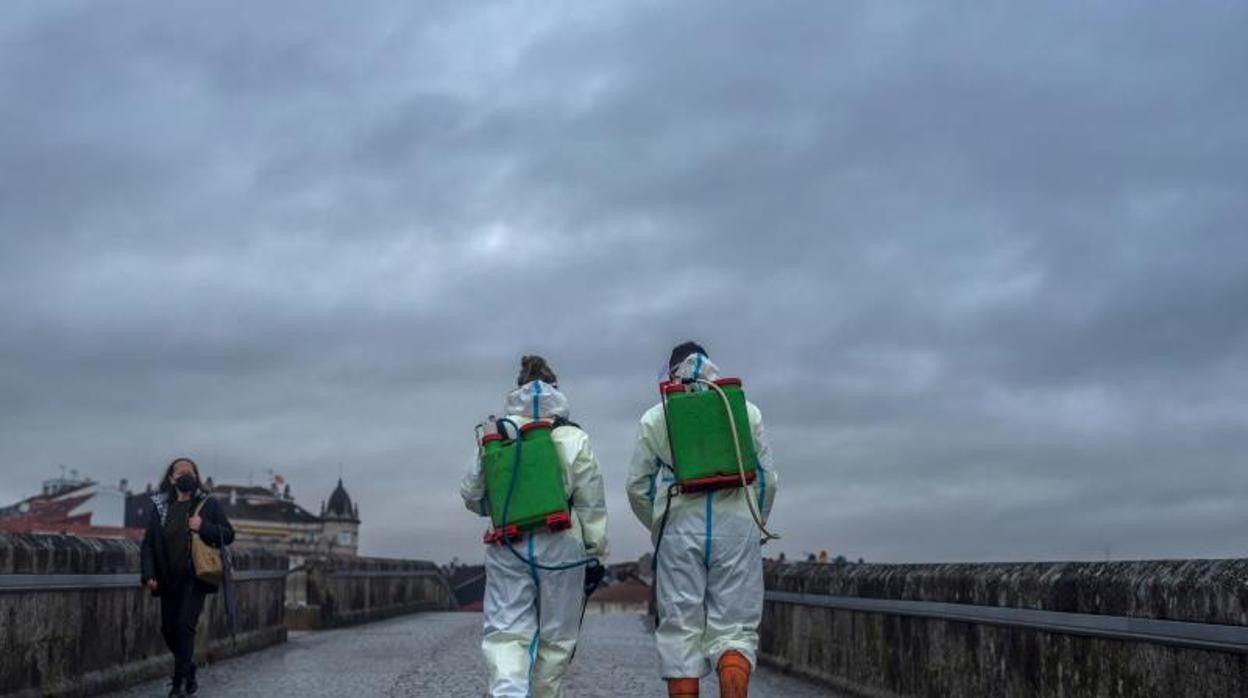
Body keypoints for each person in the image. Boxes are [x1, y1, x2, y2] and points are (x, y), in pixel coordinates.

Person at [627, 342, 779, 698]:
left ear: (672, 371)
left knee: (680, 630)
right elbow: (768, 480)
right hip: (737, 526)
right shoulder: (745, 410)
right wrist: (754, 522)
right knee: (735, 630)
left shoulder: (656, 417)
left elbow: (637, 487)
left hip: (679, 528)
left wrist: (660, 525)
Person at [460, 355, 609, 697]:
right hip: (562, 545)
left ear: (517, 389)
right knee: (556, 640)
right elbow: (591, 504)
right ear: (557, 390)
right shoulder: (574, 437)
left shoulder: (496, 435)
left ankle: (508, 692)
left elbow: (471, 495)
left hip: (508, 544)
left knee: (507, 634)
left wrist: (497, 503)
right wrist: (595, 552)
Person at [140, 457, 235, 697]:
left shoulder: (208, 504)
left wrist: (203, 527)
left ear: (196, 477)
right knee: (168, 630)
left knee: (184, 626)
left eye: (190, 472)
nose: (186, 475)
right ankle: (189, 666)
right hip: (167, 578)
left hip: (195, 577)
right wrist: (148, 573)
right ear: (171, 478)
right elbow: (149, 544)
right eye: (180, 472)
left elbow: (228, 534)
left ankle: (179, 683)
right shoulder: (160, 508)